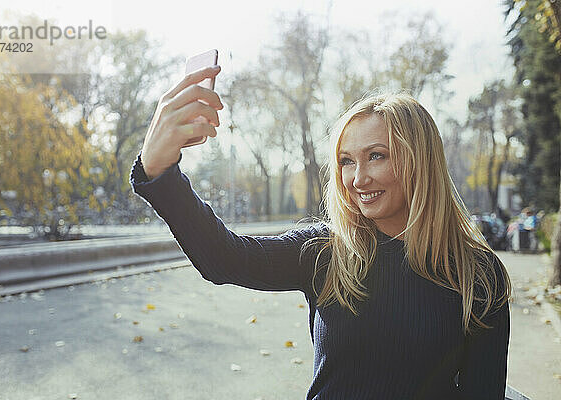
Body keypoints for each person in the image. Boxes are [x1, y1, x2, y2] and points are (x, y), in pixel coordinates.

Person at [130, 65, 512, 399]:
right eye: (346, 161)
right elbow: (224, 258)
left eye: (376, 155)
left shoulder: (478, 274)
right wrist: (159, 170)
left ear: (419, 160)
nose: (357, 179)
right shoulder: (326, 251)